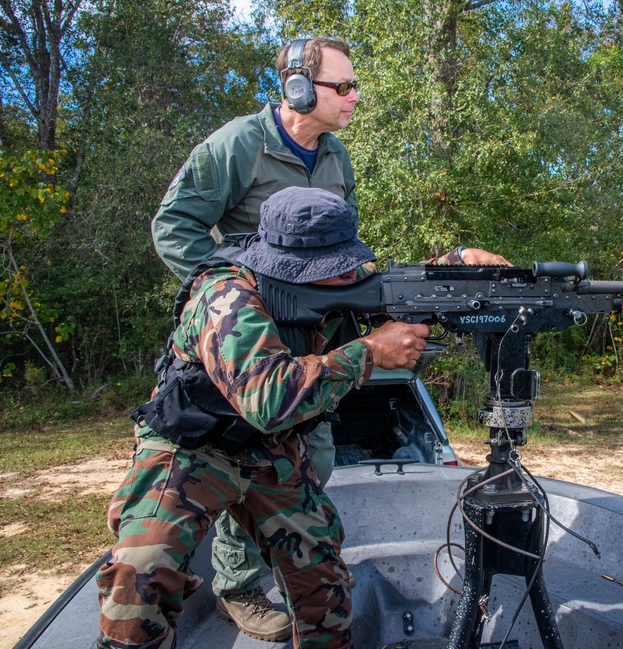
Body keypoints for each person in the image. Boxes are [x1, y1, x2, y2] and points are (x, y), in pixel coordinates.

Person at [150, 37, 508, 641]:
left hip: (312, 347)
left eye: (354, 85)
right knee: (238, 452)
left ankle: (289, 568)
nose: (354, 97)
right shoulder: (241, 144)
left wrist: (446, 267)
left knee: (310, 457)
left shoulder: (336, 155)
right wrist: (230, 296)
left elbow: (345, 259)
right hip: (246, 342)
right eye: (342, 87)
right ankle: (237, 585)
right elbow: (173, 226)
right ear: (296, 87)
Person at [98, 187, 500, 648]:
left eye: (347, 261)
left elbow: (390, 284)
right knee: (141, 577)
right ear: (287, 266)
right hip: (192, 445)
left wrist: (457, 261)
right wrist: (369, 351)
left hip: (270, 450)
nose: (350, 274)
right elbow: (267, 400)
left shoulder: (341, 272)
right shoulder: (225, 294)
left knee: (323, 584)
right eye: (333, 269)